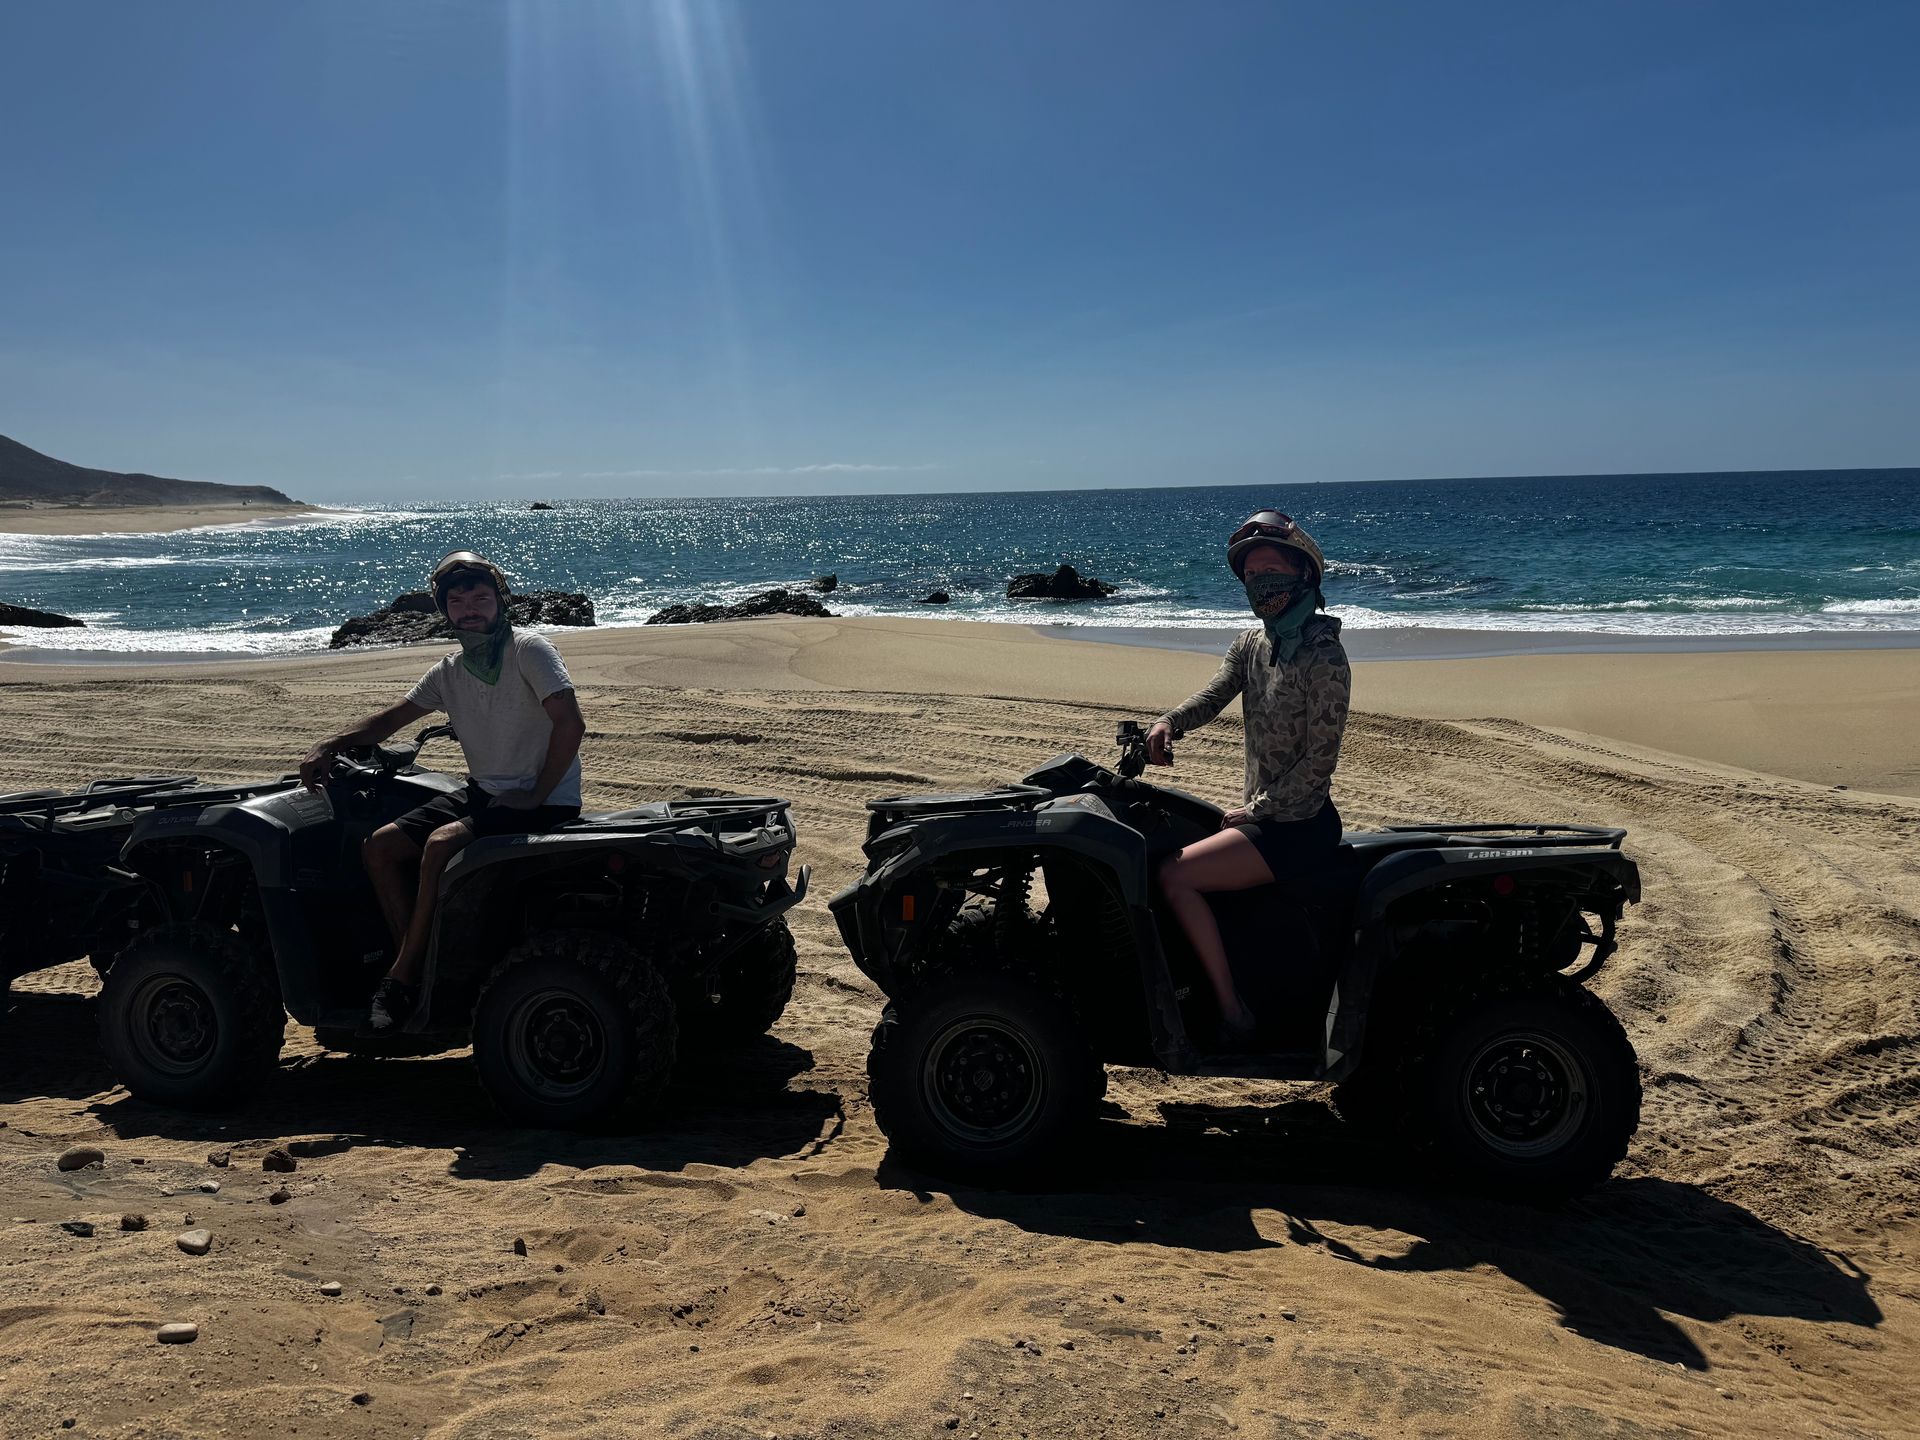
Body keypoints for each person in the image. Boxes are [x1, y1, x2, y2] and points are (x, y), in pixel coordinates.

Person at [299, 550, 588, 1033]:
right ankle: (414, 961)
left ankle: (404, 977)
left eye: (480, 597)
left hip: (544, 802)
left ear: (501, 600)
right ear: (444, 609)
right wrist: (332, 743)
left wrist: (537, 794)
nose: (470, 608)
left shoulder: (529, 649)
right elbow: (392, 719)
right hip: (486, 793)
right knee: (381, 847)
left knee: (439, 844)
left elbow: (570, 723)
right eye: (457, 601)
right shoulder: (451, 670)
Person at [1147, 511, 1350, 1046]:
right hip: (1266, 815)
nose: (1262, 583)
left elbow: (1319, 762)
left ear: (1304, 573)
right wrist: (1170, 721)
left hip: (1298, 824)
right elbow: (1214, 695)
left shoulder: (1324, 655)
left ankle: (1232, 1011)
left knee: (1174, 876)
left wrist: (1259, 810)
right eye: (1252, 575)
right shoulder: (1253, 645)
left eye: (1271, 570)